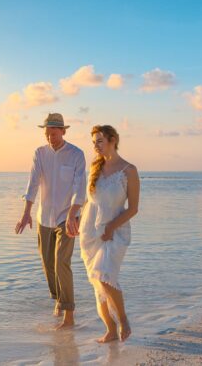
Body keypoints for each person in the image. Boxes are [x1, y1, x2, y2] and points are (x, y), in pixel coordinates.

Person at [14, 113, 87, 330]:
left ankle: (69, 315)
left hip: (68, 216)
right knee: (48, 265)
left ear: (63, 131)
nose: (50, 138)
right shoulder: (40, 153)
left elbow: (79, 185)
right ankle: (58, 299)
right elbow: (33, 183)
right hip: (44, 217)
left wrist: (74, 211)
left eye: (54, 134)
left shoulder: (76, 154)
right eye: (47, 134)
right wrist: (26, 212)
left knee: (61, 262)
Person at [78, 124, 139, 342]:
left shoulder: (129, 171)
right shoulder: (95, 168)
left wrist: (111, 227)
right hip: (90, 232)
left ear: (113, 140)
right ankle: (110, 330)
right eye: (93, 142)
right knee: (97, 283)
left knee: (104, 276)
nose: (95, 146)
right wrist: (74, 218)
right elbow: (88, 201)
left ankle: (123, 320)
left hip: (115, 231)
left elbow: (133, 208)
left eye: (100, 141)